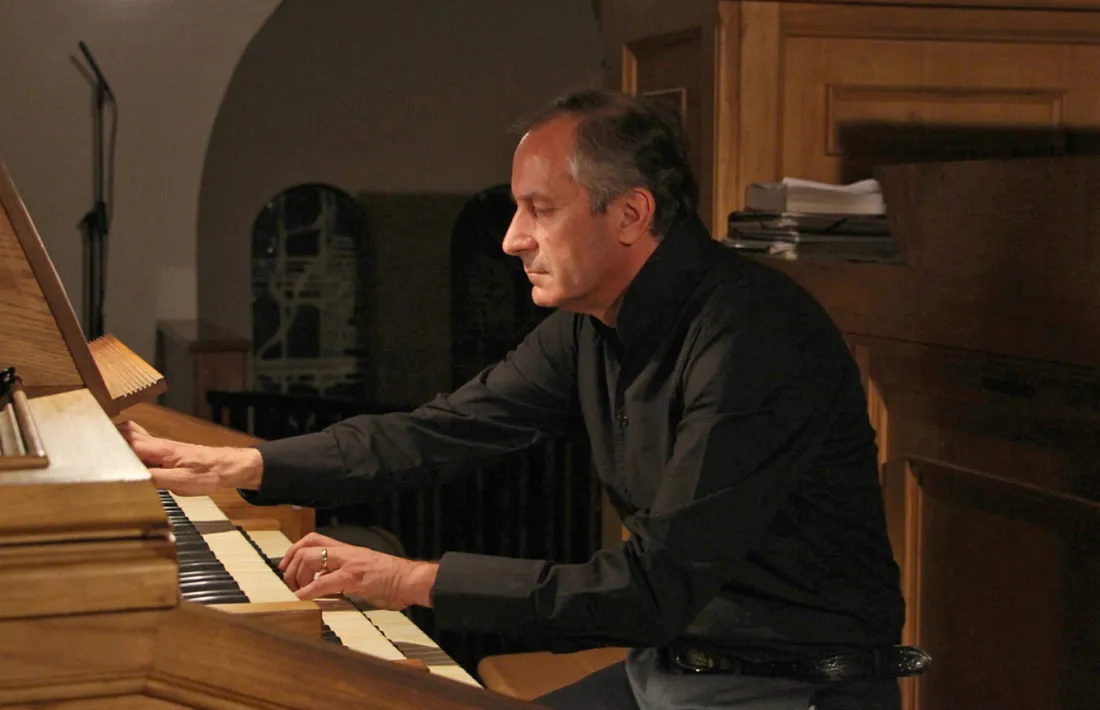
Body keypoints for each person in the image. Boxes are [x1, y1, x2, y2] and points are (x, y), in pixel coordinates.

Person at [119, 89, 911, 710]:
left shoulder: (751, 337)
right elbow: (437, 434)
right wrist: (234, 462)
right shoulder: (590, 325)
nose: (510, 239)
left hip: (790, 692)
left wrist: (406, 579)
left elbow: (652, 590)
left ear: (631, 213)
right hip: (663, 676)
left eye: (540, 209)